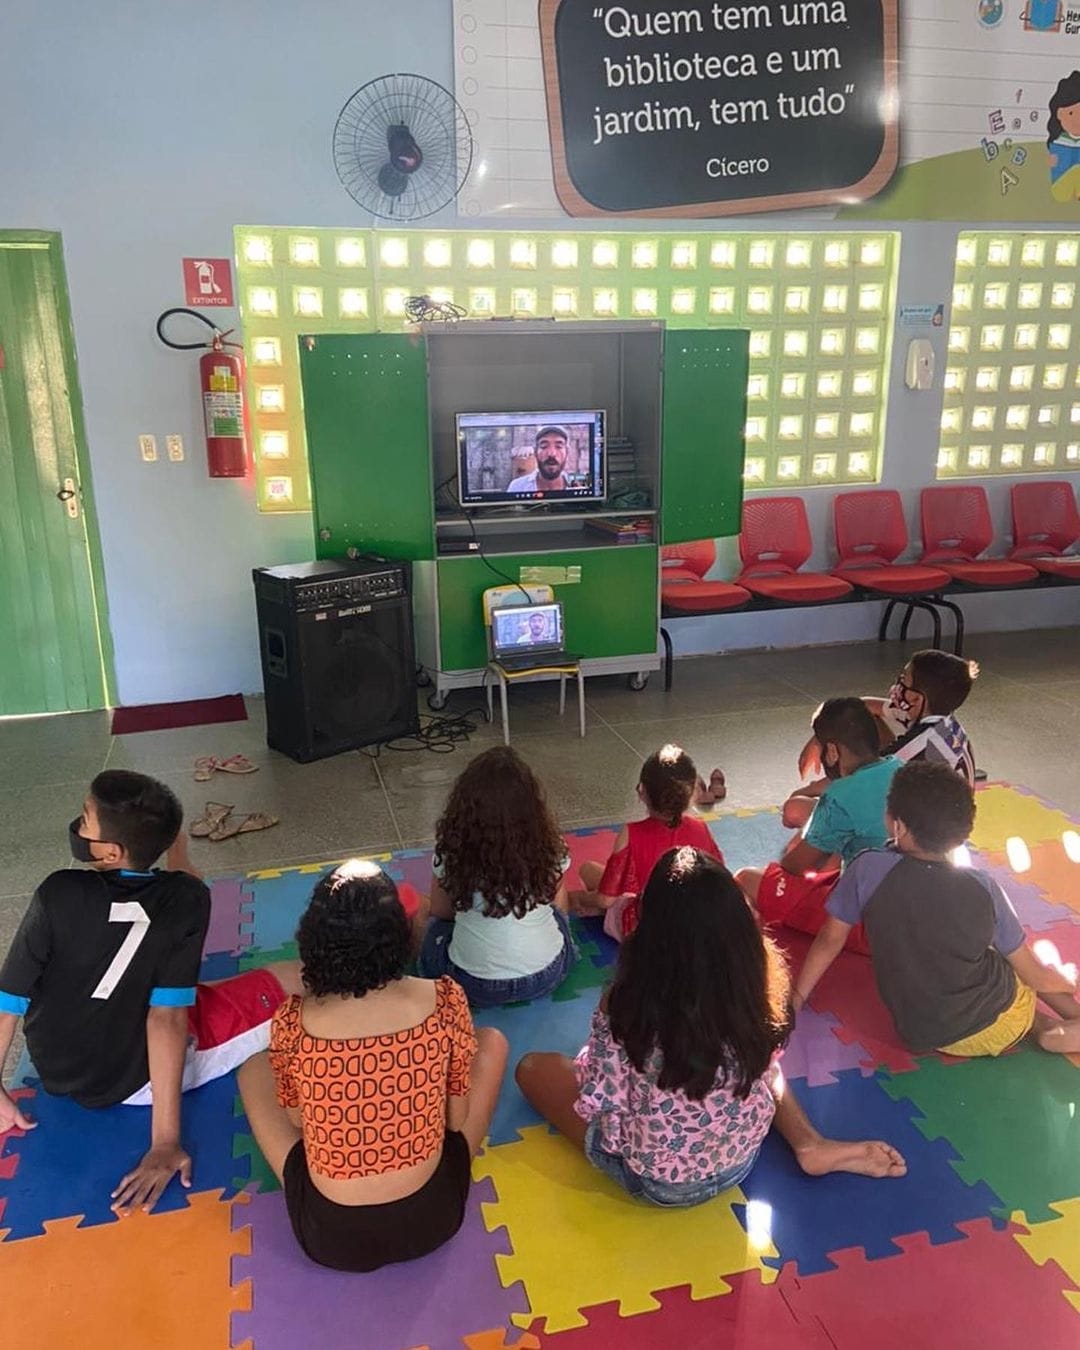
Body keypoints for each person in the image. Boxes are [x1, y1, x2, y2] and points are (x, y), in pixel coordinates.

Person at [517, 847, 907, 1208]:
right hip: (741, 1158)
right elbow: (766, 1064)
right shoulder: (761, 987)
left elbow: (604, 1098)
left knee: (532, 1067)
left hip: (659, 1184)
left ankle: (808, 1145)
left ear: (652, 928)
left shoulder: (627, 1001)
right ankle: (810, 1143)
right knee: (766, 1069)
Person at [0, 769, 302, 1215]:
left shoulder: (56, 892)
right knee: (295, 976)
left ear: (110, 852)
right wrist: (165, 1141)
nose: (78, 826)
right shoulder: (186, 900)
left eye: (85, 818)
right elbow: (168, 1019)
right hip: (133, 1080)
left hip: (57, 1066)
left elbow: (8, 1000)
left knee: (186, 987)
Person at [237, 860, 508, 1272]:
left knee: (254, 1071)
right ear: (400, 934)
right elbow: (455, 1120)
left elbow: (298, 1121)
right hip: (434, 1220)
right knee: (492, 1042)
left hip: (330, 1238)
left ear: (314, 941)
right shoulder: (444, 998)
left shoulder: (293, 1020)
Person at [792, 762, 1080, 1056]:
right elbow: (1035, 976)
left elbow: (830, 939)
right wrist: (1067, 980)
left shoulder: (865, 868)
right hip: (998, 1024)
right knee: (1017, 965)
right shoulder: (983, 888)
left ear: (898, 825)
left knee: (994, 963)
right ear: (960, 834)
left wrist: (797, 997)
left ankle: (1047, 1028)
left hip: (921, 1033)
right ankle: (1055, 1027)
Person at [735, 699, 902, 954]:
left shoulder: (840, 795)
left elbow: (794, 866)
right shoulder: (901, 767)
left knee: (745, 878)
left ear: (832, 752)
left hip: (871, 925)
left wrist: (813, 839)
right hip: (915, 906)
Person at [418, 747, 575, 1007]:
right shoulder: (551, 845)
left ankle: (415, 981)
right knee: (557, 907)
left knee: (428, 918)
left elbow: (441, 911)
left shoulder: (451, 850)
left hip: (470, 984)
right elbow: (553, 896)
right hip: (548, 974)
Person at [571, 744, 724, 941]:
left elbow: (605, 899)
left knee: (587, 870)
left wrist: (577, 898)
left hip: (646, 935)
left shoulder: (631, 833)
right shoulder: (701, 828)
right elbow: (719, 880)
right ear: (693, 792)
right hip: (695, 932)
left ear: (642, 791)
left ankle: (602, 914)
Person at [795, 650, 978, 797]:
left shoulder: (923, 743)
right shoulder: (943, 722)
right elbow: (863, 706)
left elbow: (863, 779)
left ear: (916, 698)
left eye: (903, 680)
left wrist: (807, 791)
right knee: (866, 720)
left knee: (797, 810)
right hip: (944, 817)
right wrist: (818, 738)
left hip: (925, 829)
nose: (897, 685)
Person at [507, 426, 578, 494]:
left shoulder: (578, 488)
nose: (551, 454)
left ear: (567, 452)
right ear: (535, 452)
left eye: (558, 447)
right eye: (544, 446)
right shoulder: (517, 487)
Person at [1047, 71, 1080, 203]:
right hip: (1061, 188)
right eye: (1071, 113)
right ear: (1060, 114)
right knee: (1077, 170)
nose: (1078, 120)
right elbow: (1058, 168)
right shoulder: (1059, 143)